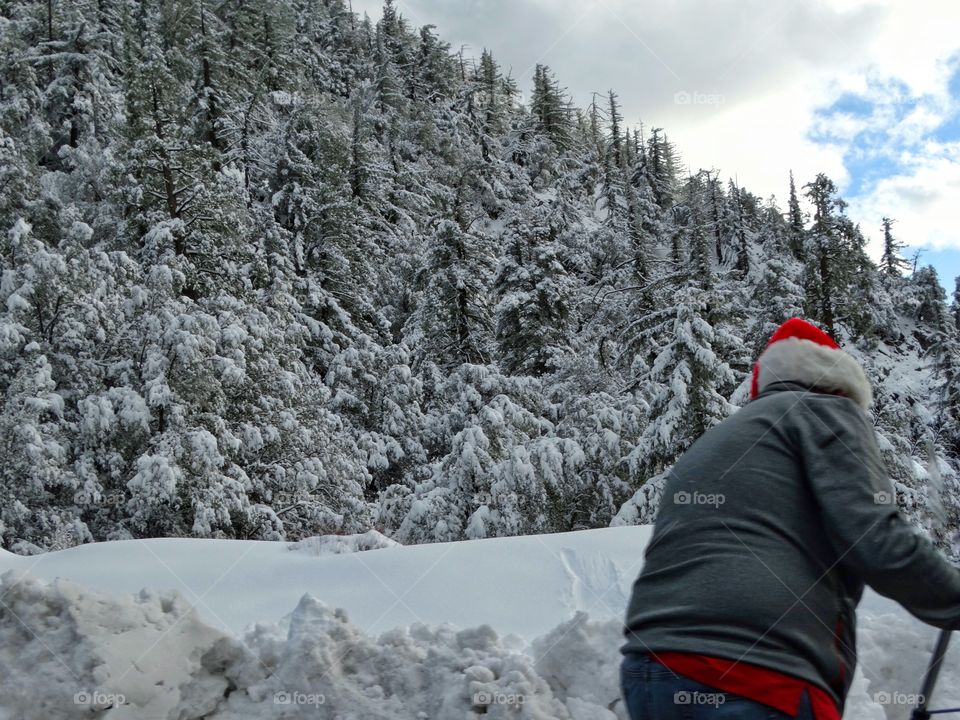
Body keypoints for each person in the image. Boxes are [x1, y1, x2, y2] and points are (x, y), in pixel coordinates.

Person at [620, 317, 960, 720]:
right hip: (757, 672)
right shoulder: (826, 410)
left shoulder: (720, 437)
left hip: (650, 669)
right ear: (842, 381)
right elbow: (874, 539)